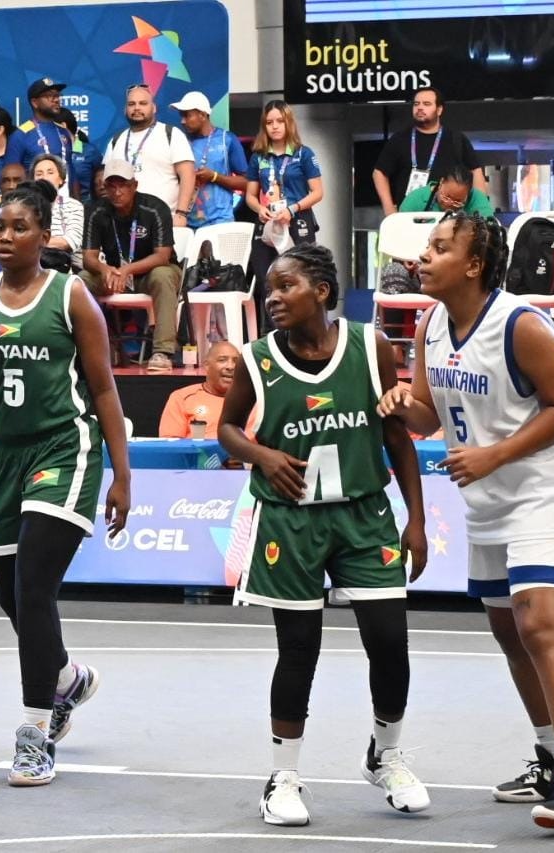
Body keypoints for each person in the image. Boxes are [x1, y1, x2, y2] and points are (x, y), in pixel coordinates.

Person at [0, 179, 130, 787]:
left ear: (44, 237)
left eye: (20, 228)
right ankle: (64, 678)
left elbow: (104, 389)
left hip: (67, 447)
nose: (7, 237)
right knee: (11, 597)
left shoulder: (72, 297)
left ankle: (35, 731)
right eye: (0, 227)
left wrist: (123, 473)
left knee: (34, 587)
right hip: (6, 455)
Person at [219, 243, 430, 826]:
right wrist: (261, 455)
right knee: (299, 649)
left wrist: (415, 518)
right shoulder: (256, 358)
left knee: (389, 639)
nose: (273, 295)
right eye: (270, 287)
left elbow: (397, 437)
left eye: (286, 285)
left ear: (323, 293)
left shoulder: (371, 346)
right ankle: (283, 775)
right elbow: (227, 430)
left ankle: (385, 754)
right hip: (291, 518)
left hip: (365, 514)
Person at [376, 211, 554, 831]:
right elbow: (429, 418)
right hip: (486, 502)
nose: (423, 258)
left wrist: (496, 453)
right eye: (425, 248)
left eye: (439, 248)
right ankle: (549, 757)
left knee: (541, 623)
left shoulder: (521, 323)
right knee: (510, 634)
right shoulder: (432, 324)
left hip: (545, 490)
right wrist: (398, 404)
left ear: (474, 265)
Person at [80, 159, 182, 373]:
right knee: (82, 279)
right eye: (111, 186)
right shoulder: (96, 211)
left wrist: (128, 269)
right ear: (105, 187)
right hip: (114, 275)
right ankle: (97, 348)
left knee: (162, 275)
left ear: (134, 185)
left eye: (123, 185)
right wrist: (104, 269)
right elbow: (88, 257)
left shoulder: (155, 208)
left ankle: (163, 352)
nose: (117, 191)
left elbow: (162, 256)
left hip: (149, 273)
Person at [245, 100, 324, 323]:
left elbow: (318, 192)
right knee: (266, 278)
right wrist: (260, 208)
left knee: (300, 276)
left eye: (280, 121)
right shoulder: (259, 156)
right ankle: (270, 333)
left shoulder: (303, 154)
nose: (275, 126)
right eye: (269, 122)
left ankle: (302, 328)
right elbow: (250, 195)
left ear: (288, 123)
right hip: (268, 224)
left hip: (297, 221)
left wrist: (293, 208)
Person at [373, 87, 486, 215]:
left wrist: (479, 208)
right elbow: (379, 173)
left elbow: (475, 171)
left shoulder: (456, 139)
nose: (420, 108)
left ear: (439, 110)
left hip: (448, 217)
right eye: (416, 104)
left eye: (426, 104)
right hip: (409, 215)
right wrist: (388, 208)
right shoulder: (400, 139)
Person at [103, 84, 196, 226]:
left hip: (164, 221)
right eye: (131, 104)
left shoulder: (171, 134)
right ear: (125, 109)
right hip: (124, 223)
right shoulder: (116, 141)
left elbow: (188, 175)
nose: (137, 108)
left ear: (154, 108)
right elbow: (107, 182)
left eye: (143, 103)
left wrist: (181, 213)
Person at [171, 91, 249, 229]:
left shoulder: (227, 139)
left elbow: (247, 183)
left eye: (187, 115)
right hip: (186, 223)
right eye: (181, 116)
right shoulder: (179, 141)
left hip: (220, 221)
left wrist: (214, 176)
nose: (182, 121)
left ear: (202, 115)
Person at [158, 341, 238, 438]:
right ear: (207, 365)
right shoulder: (182, 397)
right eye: (222, 360)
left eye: (236, 361)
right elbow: (171, 445)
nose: (230, 366)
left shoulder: (252, 400)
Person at [31, 153, 85, 271]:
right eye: (39, 174)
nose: (44, 177)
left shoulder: (74, 205)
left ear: (61, 179)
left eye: (50, 173)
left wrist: (30, 243)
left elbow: (70, 242)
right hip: (30, 266)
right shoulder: (25, 206)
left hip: (65, 267)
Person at [9, 78, 72, 173]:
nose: (56, 100)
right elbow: (11, 175)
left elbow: (71, 170)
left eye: (57, 95)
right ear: (35, 103)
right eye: (50, 96)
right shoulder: (21, 135)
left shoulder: (63, 131)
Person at [399, 164, 494, 217]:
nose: (450, 205)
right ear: (441, 182)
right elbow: (400, 228)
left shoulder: (477, 199)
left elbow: (489, 228)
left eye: (458, 202)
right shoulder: (416, 199)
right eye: (446, 197)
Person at [58, 108, 103, 203]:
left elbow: (101, 180)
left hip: (87, 208)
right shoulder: (51, 151)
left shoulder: (89, 151)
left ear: (63, 126)